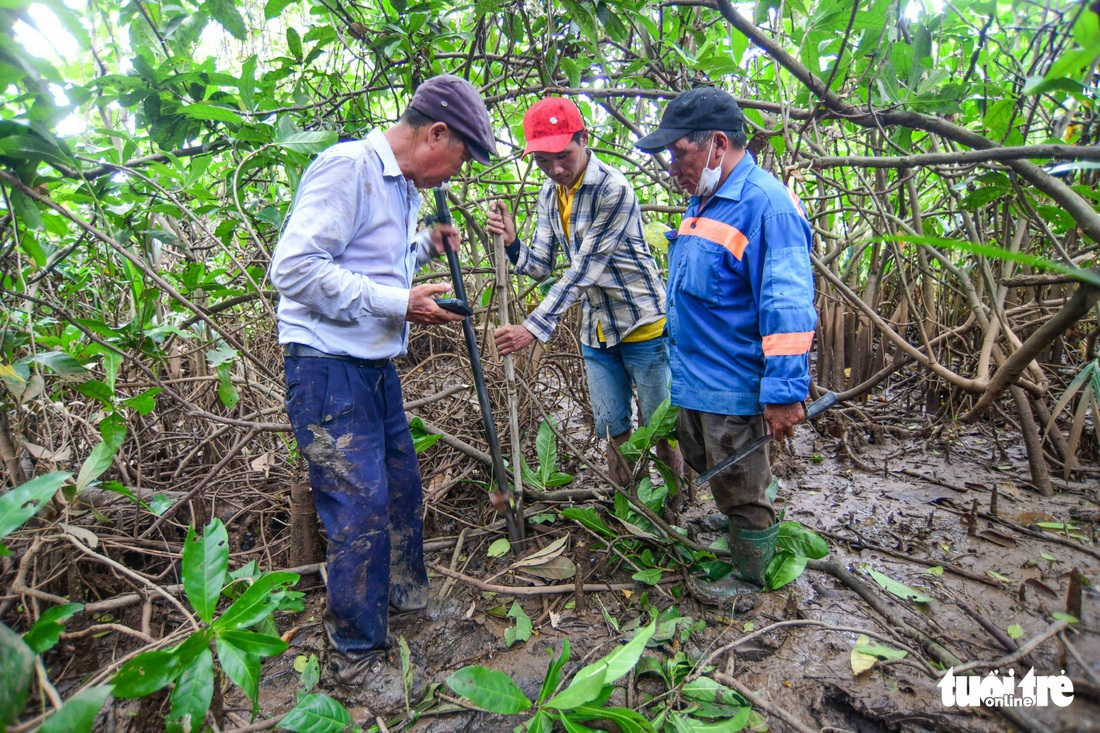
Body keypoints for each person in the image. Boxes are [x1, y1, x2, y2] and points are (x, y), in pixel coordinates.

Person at [269, 74, 496, 698]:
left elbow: (368, 260)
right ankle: (355, 655)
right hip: (325, 369)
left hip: (372, 368)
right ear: (435, 133)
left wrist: (422, 247)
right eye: (459, 159)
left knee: (399, 489)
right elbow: (295, 268)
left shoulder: (405, 189)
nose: (456, 174)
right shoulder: (348, 169)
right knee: (358, 508)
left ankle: (405, 599)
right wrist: (399, 302)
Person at [635, 87, 817, 603]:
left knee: (741, 482)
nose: (673, 167)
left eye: (679, 154)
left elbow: (788, 305)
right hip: (697, 380)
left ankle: (751, 579)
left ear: (717, 144)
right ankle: (740, 531)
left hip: (734, 384)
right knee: (712, 463)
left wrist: (783, 392)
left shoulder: (767, 207)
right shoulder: (706, 200)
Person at [486, 97, 683, 489]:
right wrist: (512, 243)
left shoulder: (614, 189)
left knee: (660, 428)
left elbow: (583, 272)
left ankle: (676, 504)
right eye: (543, 161)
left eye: (563, 156)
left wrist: (532, 328)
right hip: (597, 331)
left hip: (642, 324)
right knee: (612, 428)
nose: (555, 169)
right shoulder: (548, 194)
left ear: (584, 139)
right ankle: (630, 505)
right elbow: (540, 264)